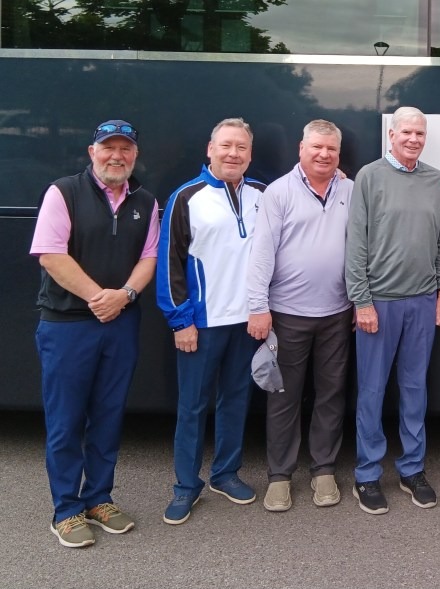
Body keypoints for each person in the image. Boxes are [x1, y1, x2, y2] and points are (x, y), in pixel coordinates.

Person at [31, 119, 159, 547]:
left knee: (108, 416)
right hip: (67, 325)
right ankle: (66, 510)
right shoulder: (63, 192)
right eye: (109, 148)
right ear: (92, 152)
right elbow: (51, 255)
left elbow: (149, 258)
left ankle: (99, 498)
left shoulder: (146, 200)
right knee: (66, 420)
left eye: (125, 149)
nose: (116, 156)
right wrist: (98, 298)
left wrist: (124, 296)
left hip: (120, 324)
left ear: (135, 155)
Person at [157, 118, 267, 525]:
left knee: (236, 400)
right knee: (192, 406)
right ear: (210, 149)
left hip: (247, 321)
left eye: (241, 147)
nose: (233, 153)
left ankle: (225, 473)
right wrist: (180, 321)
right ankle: (186, 486)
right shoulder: (186, 197)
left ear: (250, 154)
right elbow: (170, 263)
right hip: (201, 323)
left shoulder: (263, 194)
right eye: (226, 145)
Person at [345, 106, 440, 515]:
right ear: (391, 134)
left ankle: (412, 469)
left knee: (415, 389)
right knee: (372, 391)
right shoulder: (369, 177)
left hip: (422, 301)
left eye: (419, 133)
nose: (413, 139)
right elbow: (356, 242)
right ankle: (367, 474)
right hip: (380, 302)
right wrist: (362, 300)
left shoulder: (435, 179)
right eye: (406, 132)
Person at [247, 120, 354, 512]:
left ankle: (323, 468)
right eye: (316, 147)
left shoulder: (350, 190)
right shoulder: (279, 192)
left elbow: (361, 247)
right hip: (286, 314)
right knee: (283, 397)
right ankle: (280, 475)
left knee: (331, 393)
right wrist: (258, 307)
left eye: (331, 149)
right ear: (301, 149)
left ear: (339, 154)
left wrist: (359, 300)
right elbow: (262, 252)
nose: (324, 154)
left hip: (337, 313)